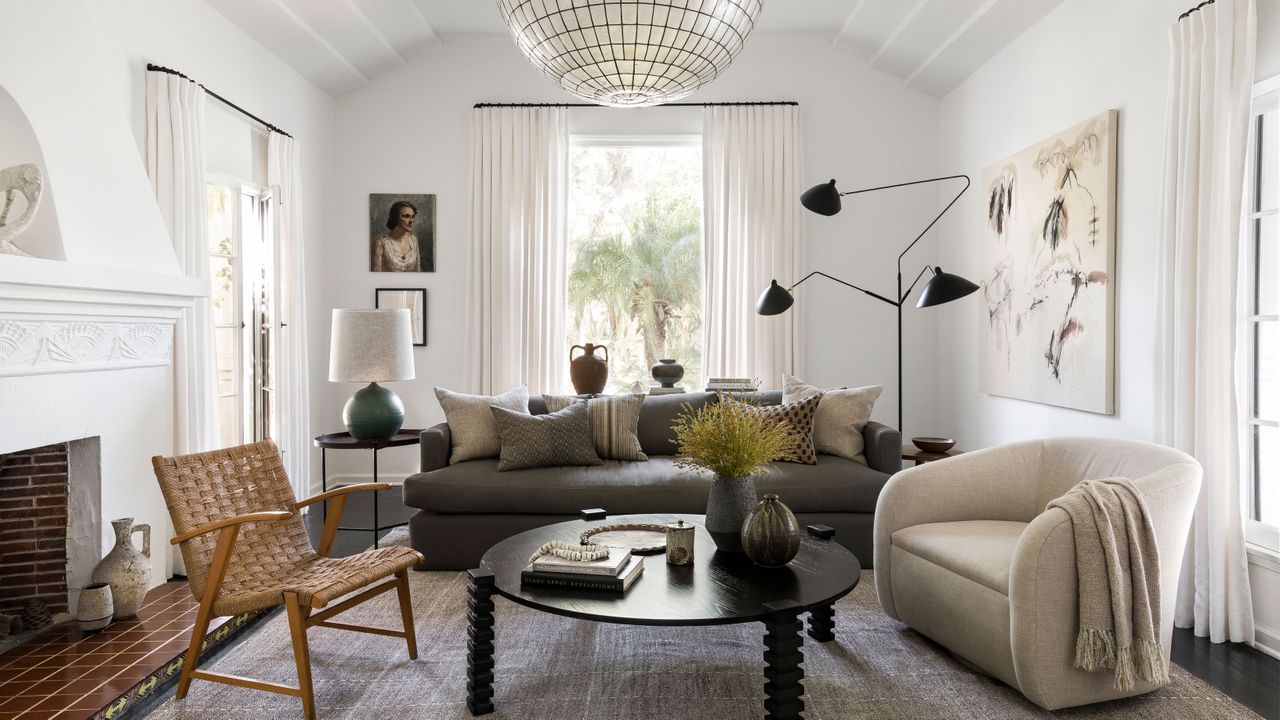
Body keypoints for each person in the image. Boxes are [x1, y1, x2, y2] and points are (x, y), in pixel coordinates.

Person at [372, 200, 420, 272]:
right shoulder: (381, 242)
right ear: (395, 218)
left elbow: (417, 271)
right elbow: (376, 273)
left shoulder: (413, 240)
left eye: (412, 216)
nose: (411, 221)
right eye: (406, 216)